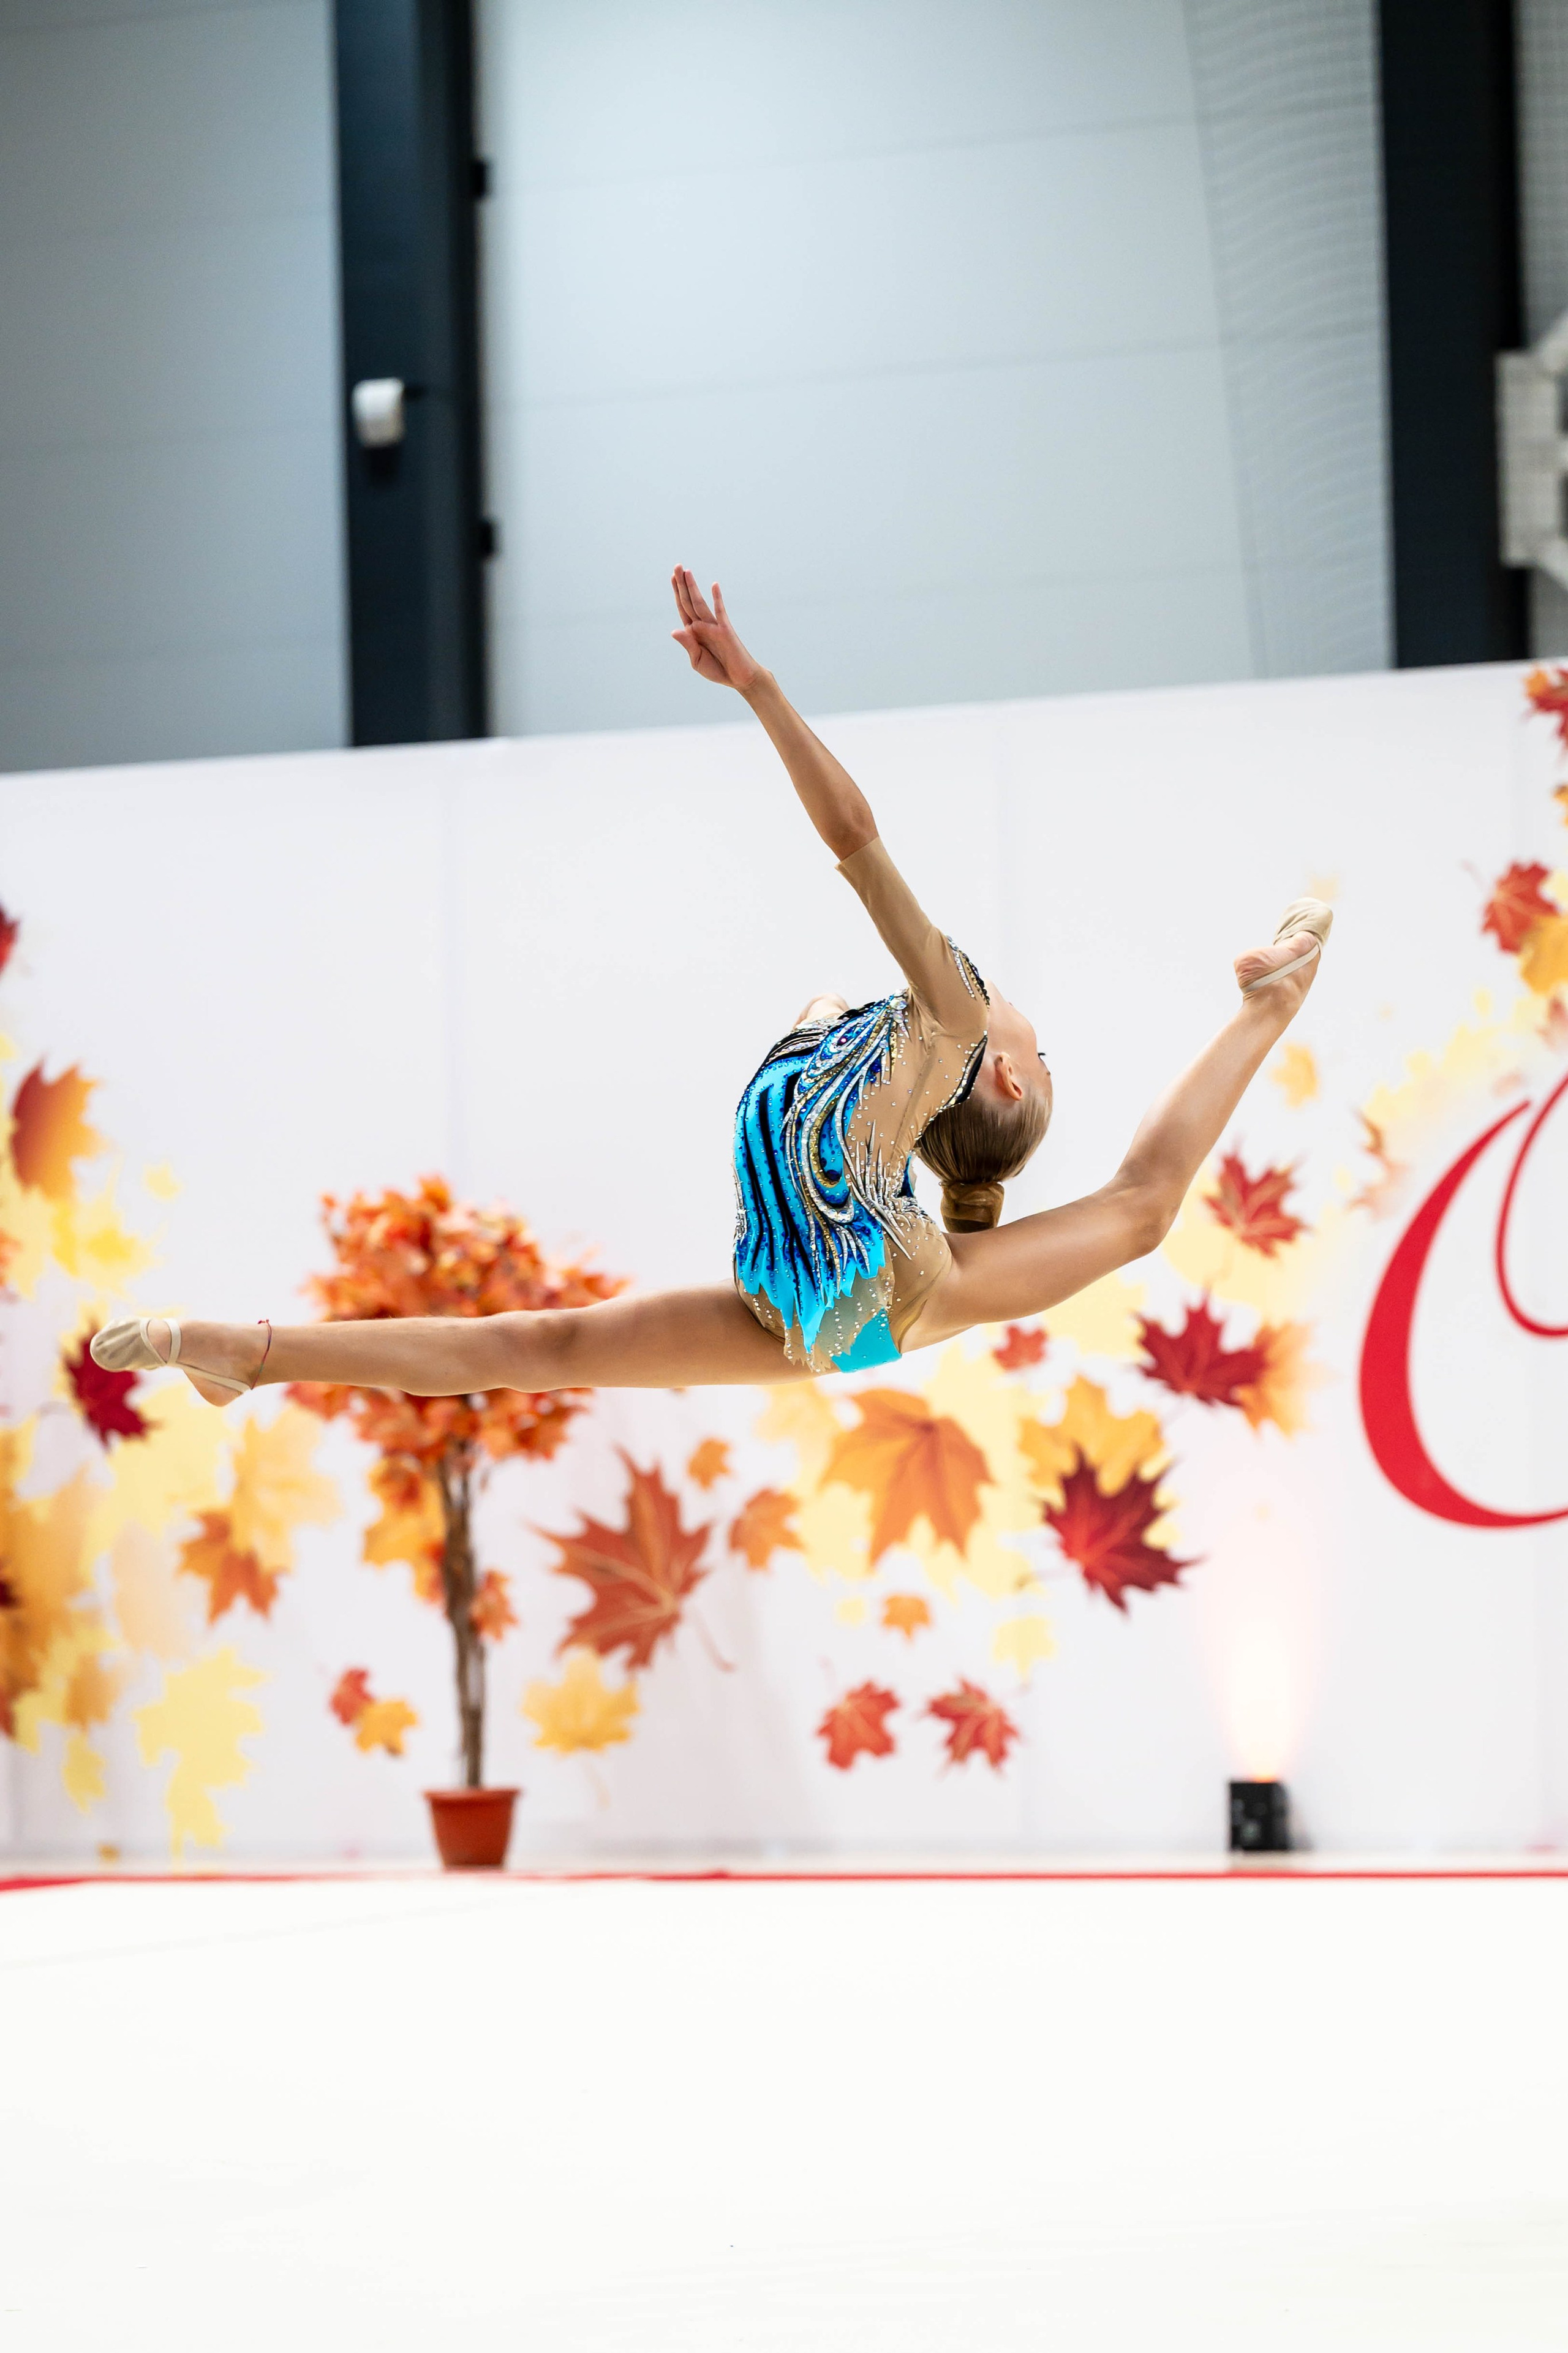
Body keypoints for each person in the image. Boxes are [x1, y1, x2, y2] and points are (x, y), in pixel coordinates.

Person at [93, 570, 1329, 1406]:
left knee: (1134, 1212)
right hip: (816, 1301)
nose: (1030, 1025)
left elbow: (853, 839)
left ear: (998, 1072)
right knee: (538, 1348)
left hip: (857, 1282)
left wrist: (759, 691)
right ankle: (245, 1355)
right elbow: (1137, 1198)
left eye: (1041, 1047)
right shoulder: (911, 1052)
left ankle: (1263, 1012)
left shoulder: (949, 1014)